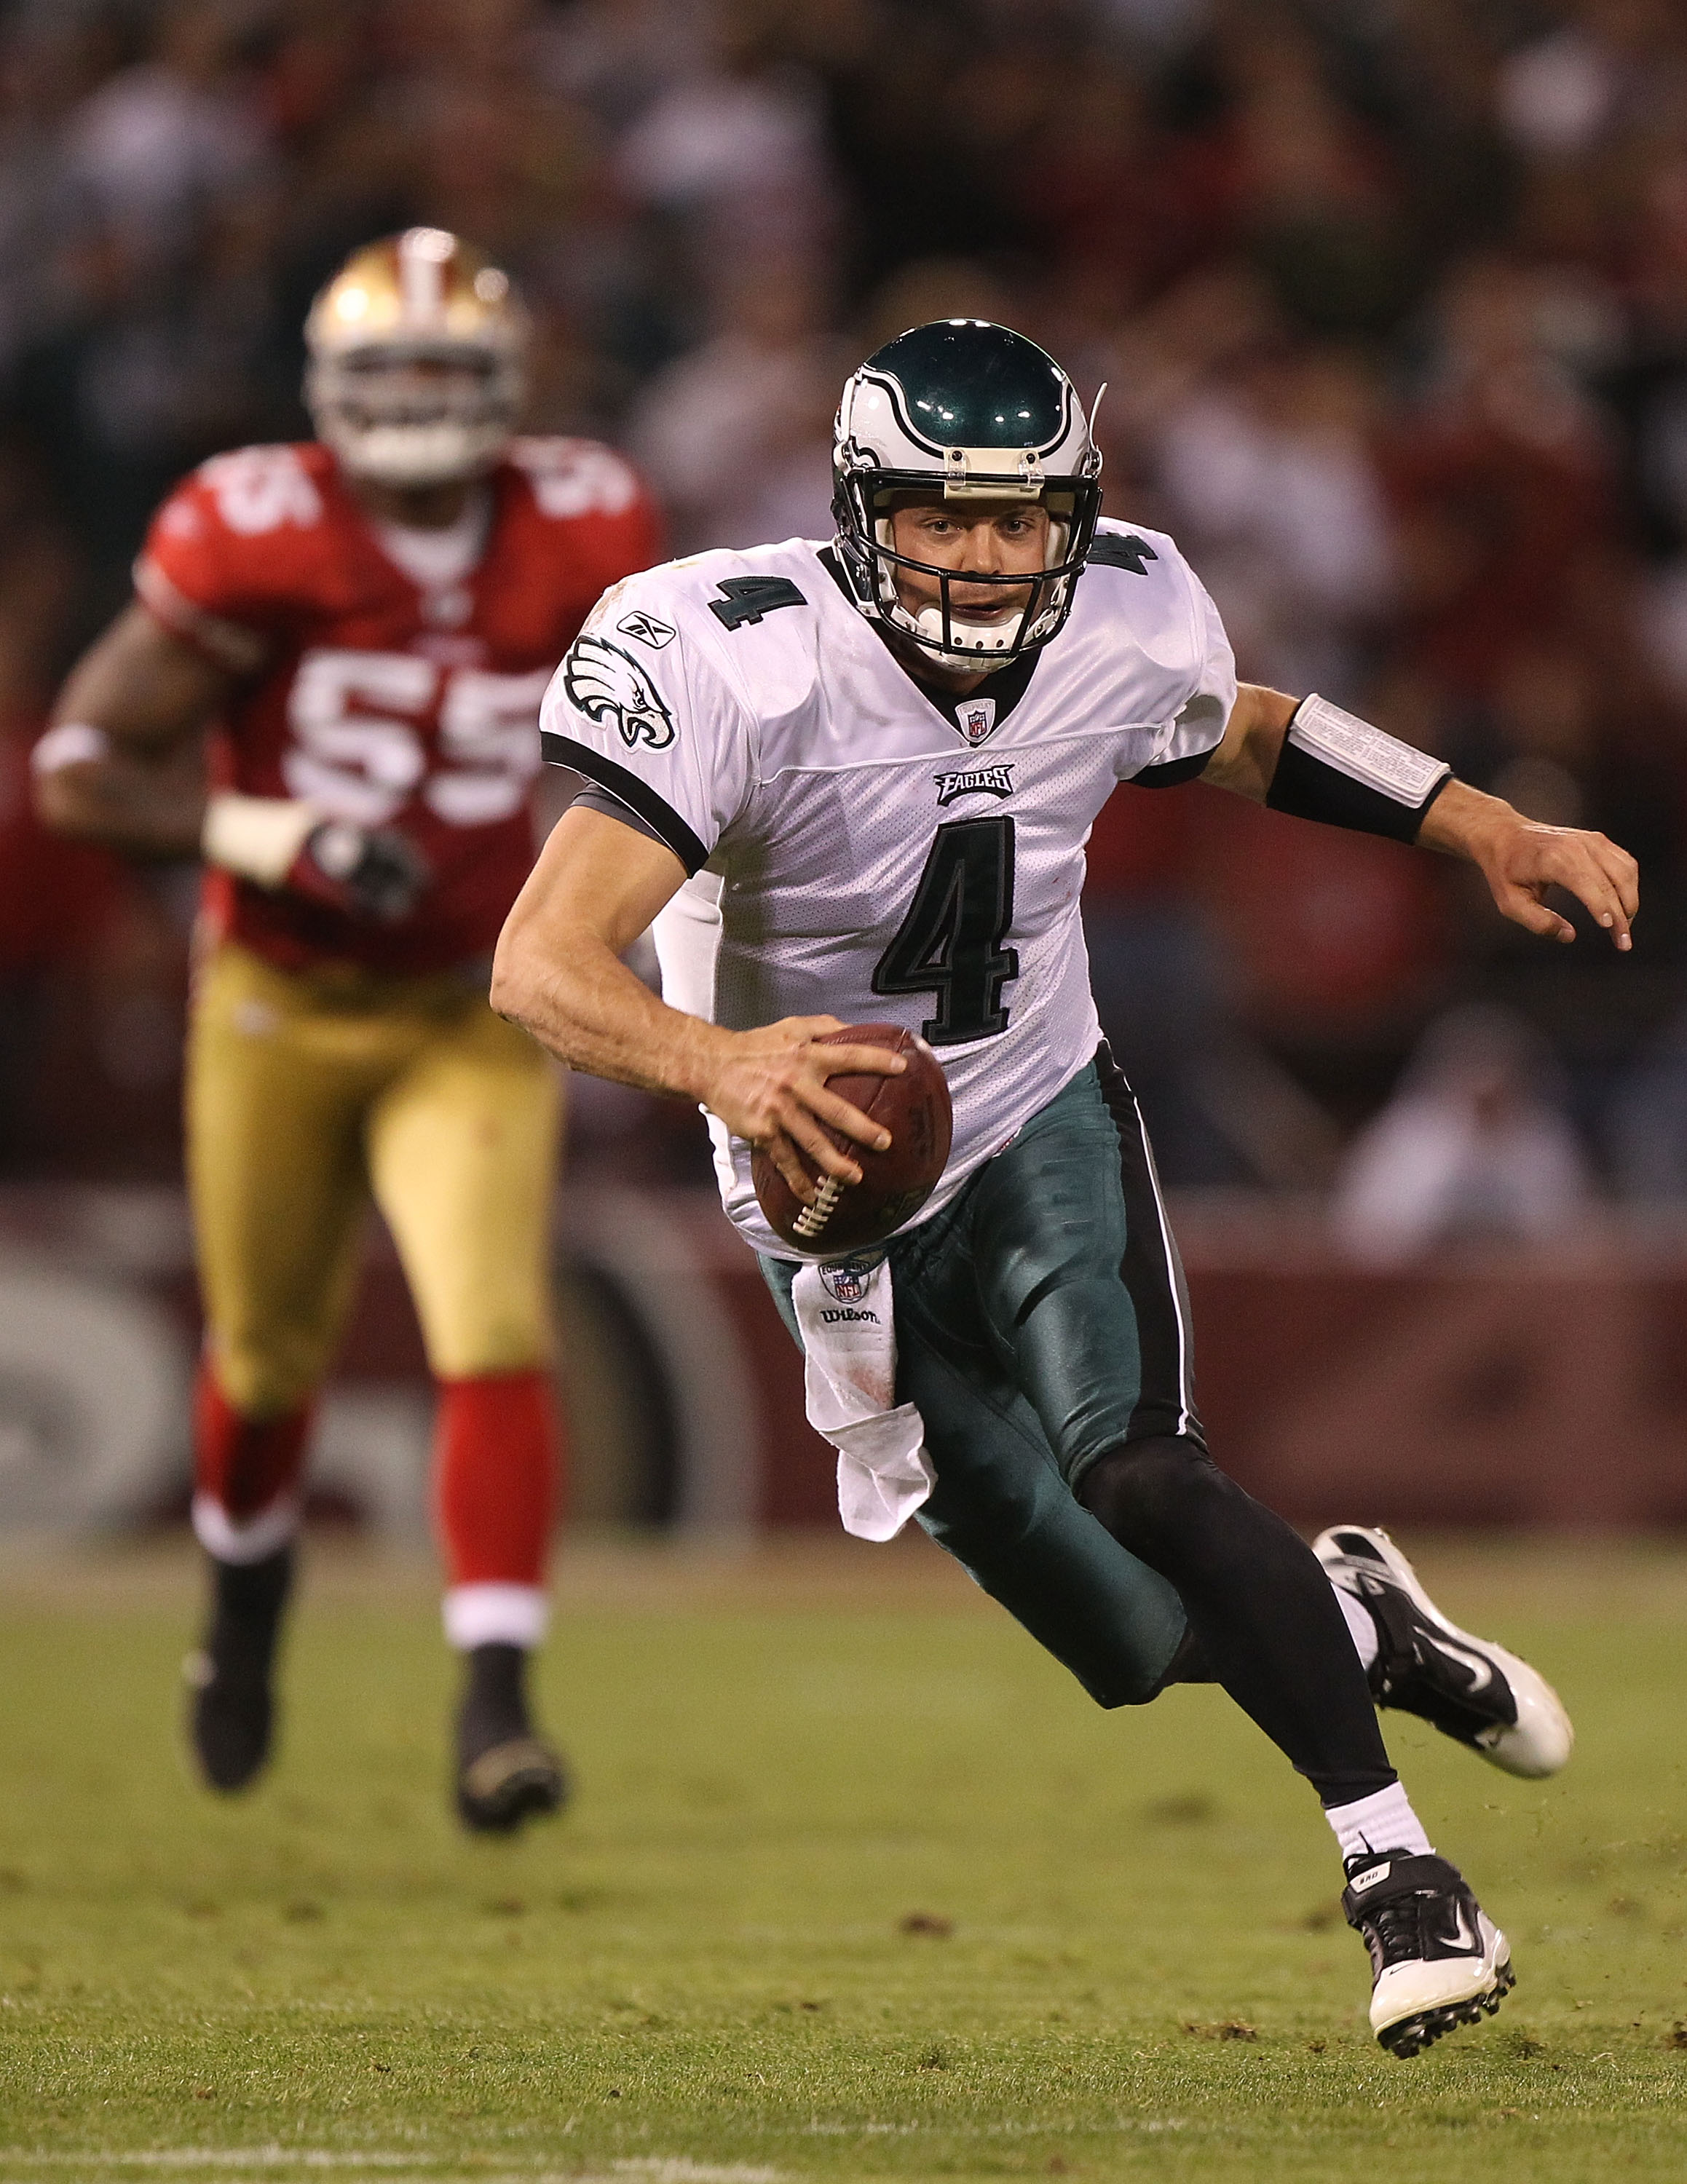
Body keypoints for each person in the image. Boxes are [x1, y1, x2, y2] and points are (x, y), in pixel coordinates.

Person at [490, 320, 1633, 2052]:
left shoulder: (1128, 606)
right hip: (825, 1189)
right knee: (1127, 1640)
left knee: (1141, 1465)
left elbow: (1242, 733)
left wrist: (1482, 824)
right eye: (941, 520)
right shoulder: (731, 653)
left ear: (1071, 517)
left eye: (1020, 522)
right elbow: (540, 963)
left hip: (1033, 1110)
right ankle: (1354, 1616)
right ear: (862, 511)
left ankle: (1398, 1872)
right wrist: (723, 1064)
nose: (984, 557)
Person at [34, 229, 663, 1833]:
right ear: (326, 394)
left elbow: (666, 737)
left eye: (450, 378)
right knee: (264, 1359)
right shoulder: (258, 527)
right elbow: (77, 767)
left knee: (493, 1328)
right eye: (391, 379)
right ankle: (242, 1620)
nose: (420, 411)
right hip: (280, 997)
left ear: (509, 395)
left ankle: (495, 1707)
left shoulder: (586, 520)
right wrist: (270, 836)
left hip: (470, 1003)